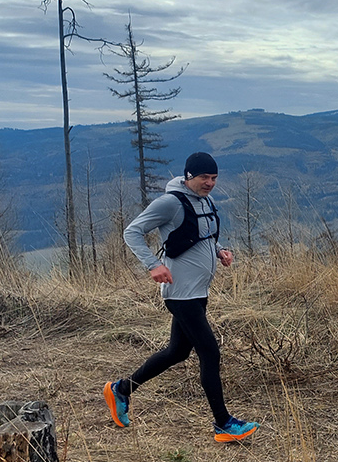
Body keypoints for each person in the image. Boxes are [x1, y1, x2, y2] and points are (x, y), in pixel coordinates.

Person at [105, 151, 258, 442]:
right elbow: (132, 231)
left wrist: (220, 251)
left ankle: (121, 390)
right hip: (180, 294)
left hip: (198, 291)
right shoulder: (170, 203)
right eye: (204, 177)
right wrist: (153, 265)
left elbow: (202, 236)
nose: (210, 183)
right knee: (209, 352)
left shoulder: (205, 201)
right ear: (188, 177)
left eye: (214, 178)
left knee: (177, 352)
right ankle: (224, 424)